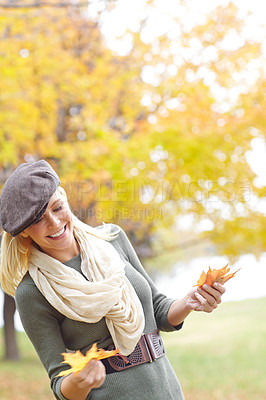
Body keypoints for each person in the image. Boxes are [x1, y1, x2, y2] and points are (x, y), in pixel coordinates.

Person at [0, 160, 225, 400]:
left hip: (167, 391)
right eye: (38, 219)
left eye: (57, 208)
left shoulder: (113, 239)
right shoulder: (32, 292)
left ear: (65, 199)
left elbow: (158, 310)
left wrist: (190, 301)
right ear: (23, 230)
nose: (54, 223)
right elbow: (60, 383)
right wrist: (79, 380)